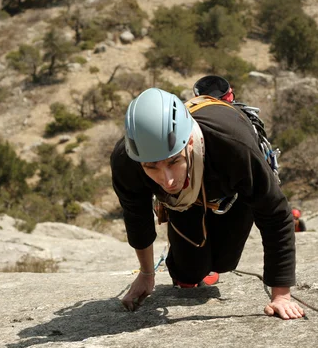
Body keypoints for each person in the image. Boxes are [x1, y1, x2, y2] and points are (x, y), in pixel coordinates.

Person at [110, 87, 304, 320]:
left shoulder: (233, 146)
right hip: (183, 202)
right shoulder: (127, 160)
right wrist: (146, 273)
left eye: (174, 162)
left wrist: (281, 295)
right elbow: (137, 217)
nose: (167, 180)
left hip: (231, 193)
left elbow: (275, 215)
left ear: (189, 141)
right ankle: (187, 263)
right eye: (151, 168)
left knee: (225, 262)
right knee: (188, 273)